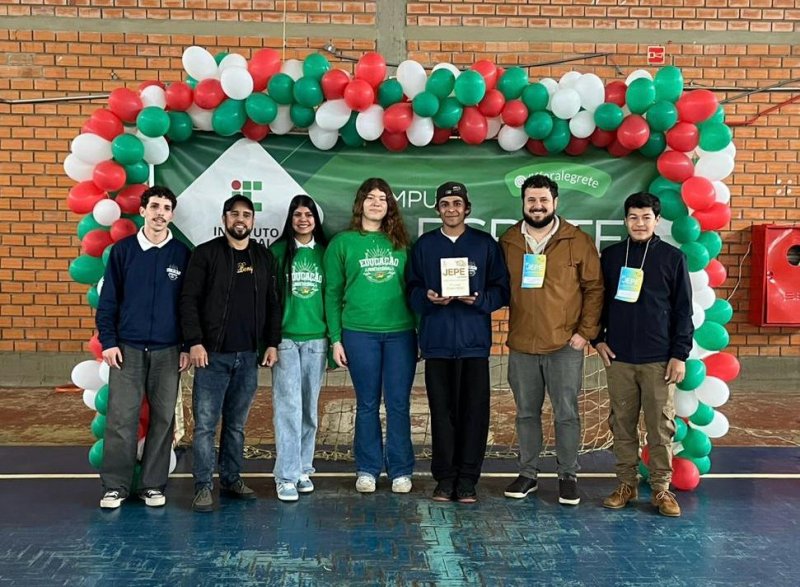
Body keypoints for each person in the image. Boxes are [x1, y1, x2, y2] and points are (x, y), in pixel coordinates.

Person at [499, 174, 604, 506]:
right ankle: (528, 474)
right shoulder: (509, 241)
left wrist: (585, 333)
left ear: (555, 202)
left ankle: (567, 476)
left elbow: (594, 288)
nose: (537, 206)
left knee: (566, 414)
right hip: (522, 345)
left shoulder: (578, 240)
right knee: (525, 414)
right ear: (523, 203)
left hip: (564, 346)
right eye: (531, 200)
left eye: (543, 200)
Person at [407, 181, 510, 503]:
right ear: (438, 209)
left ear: (467, 209)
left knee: (474, 414)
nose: (451, 209)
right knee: (442, 414)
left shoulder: (484, 244)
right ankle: (444, 479)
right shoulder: (425, 245)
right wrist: (427, 298)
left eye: (457, 204)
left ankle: (467, 480)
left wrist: (480, 300)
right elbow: (411, 289)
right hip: (437, 345)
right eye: (445, 204)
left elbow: (502, 289)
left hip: (474, 345)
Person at [594, 192, 693, 517]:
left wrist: (679, 354)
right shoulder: (611, 257)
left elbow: (683, 310)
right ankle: (626, 484)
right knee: (621, 425)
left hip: (658, 360)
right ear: (625, 220)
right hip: (619, 359)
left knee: (660, 427)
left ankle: (661, 489)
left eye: (646, 218)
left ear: (657, 221)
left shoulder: (672, 258)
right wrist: (597, 339)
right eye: (634, 217)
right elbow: (597, 302)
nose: (639, 223)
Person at [181, 194, 281, 513]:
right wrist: (195, 342)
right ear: (224, 219)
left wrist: (271, 342)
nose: (241, 219)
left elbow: (273, 303)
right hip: (211, 356)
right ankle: (202, 486)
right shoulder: (205, 254)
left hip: (248, 357)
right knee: (205, 426)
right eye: (234, 214)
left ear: (253, 221)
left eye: (246, 215)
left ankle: (231, 478)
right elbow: (188, 300)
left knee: (236, 425)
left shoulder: (263, 257)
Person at [95, 185, 191, 509]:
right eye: (155, 207)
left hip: (168, 352)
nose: (160, 213)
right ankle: (115, 487)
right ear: (143, 211)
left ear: (172, 215)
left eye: (166, 208)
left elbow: (188, 306)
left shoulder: (181, 254)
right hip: (127, 350)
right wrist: (109, 342)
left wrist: (186, 346)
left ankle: (152, 485)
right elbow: (108, 302)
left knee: (163, 420)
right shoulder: (123, 251)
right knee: (121, 419)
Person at [323, 178, 417, 494]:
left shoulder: (402, 244)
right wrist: (336, 339)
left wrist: (420, 331)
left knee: (398, 403)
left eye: (382, 198)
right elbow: (332, 293)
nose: (376, 203)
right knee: (366, 403)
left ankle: (401, 470)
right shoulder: (342, 243)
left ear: (390, 206)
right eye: (370, 197)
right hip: (359, 334)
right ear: (360, 203)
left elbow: (413, 291)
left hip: (401, 334)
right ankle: (367, 469)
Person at [270, 195, 328, 502]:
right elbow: (269, 300)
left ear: (315, 220)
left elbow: (333, 296)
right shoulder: (278, 251)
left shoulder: (326, 253)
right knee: (288, 408)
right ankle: (285, 475)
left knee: (309, 409)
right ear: (290, 219)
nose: (303, 219)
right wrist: (269, 341)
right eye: (297, 214)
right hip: (286, 340)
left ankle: (304, 468)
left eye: (308, 214)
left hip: (317, 340)